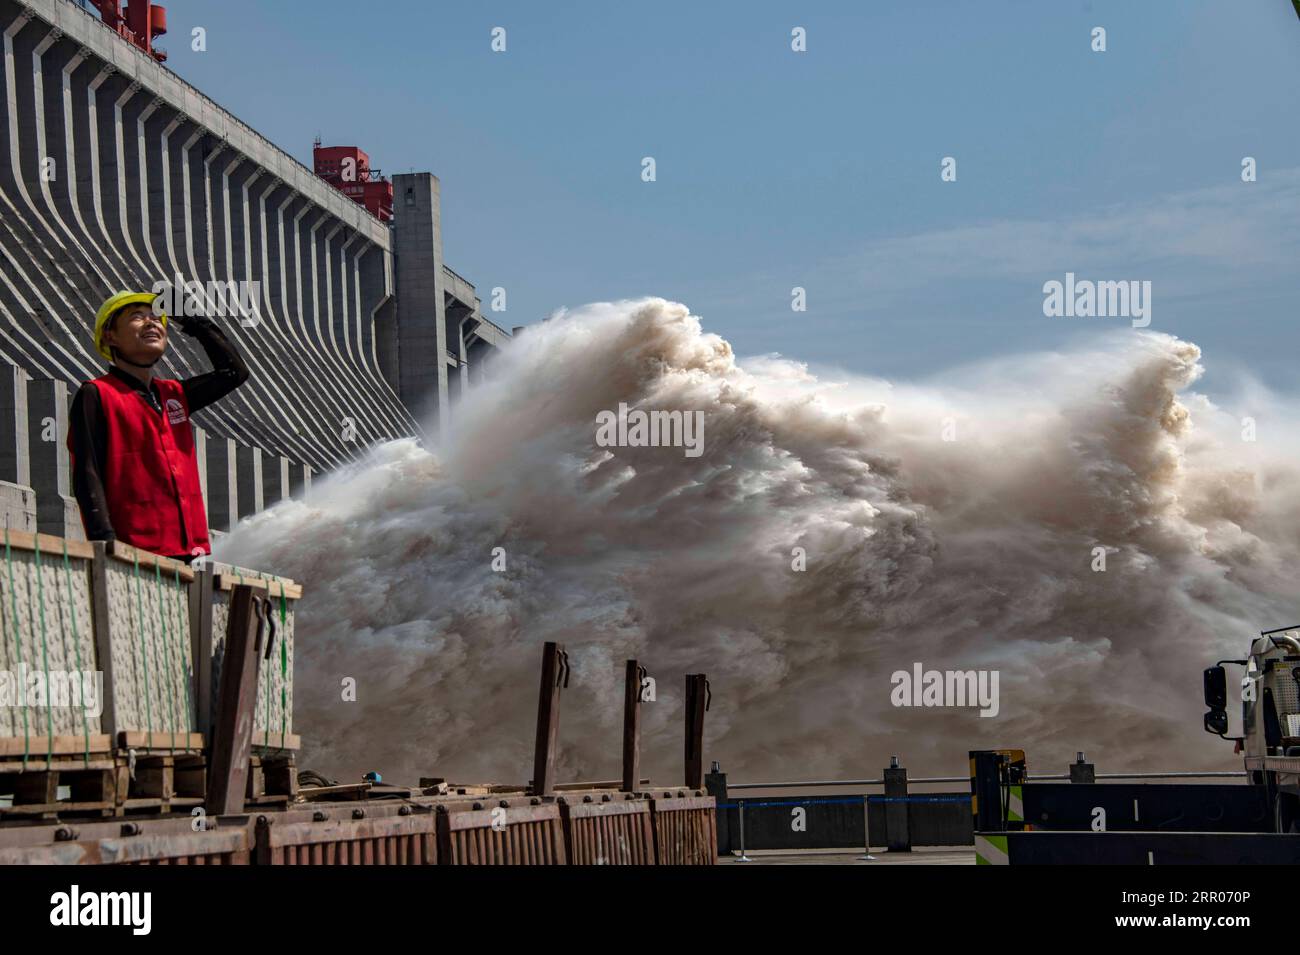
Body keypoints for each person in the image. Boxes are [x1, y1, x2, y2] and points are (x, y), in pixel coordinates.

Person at [67, 290, 250, 562]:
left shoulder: (175, 395)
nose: (151, 322)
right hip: (134, 552)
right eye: (137, 317)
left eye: (156, 318)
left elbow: (234, 373)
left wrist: (195, 323)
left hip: (190, 552)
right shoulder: (96, 395)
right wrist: (104, 545)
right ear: (110, 336)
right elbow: (87, 471)